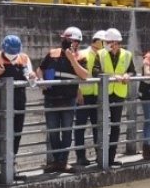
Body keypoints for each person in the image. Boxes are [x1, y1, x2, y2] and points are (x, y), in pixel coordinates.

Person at [38, 26, 90, 174]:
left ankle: (63, 162)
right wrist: (41, 81)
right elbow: (40, 69)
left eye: (70, 40)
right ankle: (57, 161)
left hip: (68, 99)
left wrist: (72, 59)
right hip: (51, 98)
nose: (66, 42)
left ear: (77, 43)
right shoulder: (52, 53)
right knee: (53, 132)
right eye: (65, 39)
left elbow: (84, 75)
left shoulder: (80, 57)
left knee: (67, 131)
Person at [0, 34, 36, 183]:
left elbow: (32, 81)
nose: (12, 56)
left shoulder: (24, 58)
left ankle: (11, 169)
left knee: (16, 136)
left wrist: (33, 77)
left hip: (19, 101)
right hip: (0, 103)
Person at [96, 28, 134, 166]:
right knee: (102, 125)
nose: (107, 44)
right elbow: (96, 72)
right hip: (104, 94)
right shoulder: (100, 54)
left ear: (115, 43)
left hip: (119, 94)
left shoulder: (127, 55)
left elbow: (132, 71)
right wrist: (113, 77)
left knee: (115, 126)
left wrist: (127, 76)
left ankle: (111, 158)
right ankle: (101, 157)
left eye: (109, 42)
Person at [72, 30, 106, 168]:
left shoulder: (103, 56)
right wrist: (78, 91)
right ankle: (80, 156)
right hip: (84, 96)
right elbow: (75, 74)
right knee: (80, 127)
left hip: (98, 95)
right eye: (104, 42)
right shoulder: (83, 54)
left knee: (98, 126)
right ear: (97, 41)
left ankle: (100, 154)